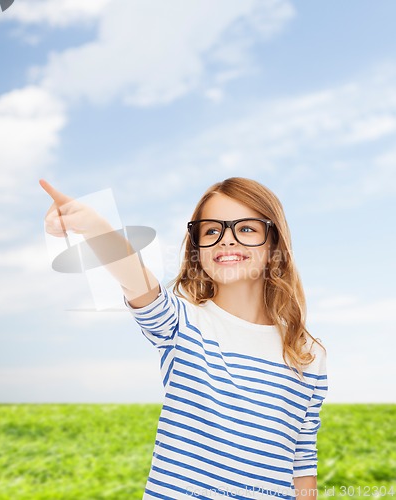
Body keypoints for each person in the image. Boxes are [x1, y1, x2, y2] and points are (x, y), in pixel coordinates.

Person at [40, 177, 328, 500]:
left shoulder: (307, 355)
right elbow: (135, 279)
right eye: (211, 231)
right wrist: (94, 226)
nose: (226, 241)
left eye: (246, 229)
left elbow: (302, 464)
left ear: (274, 243)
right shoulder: (181, 324)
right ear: (198, 249)